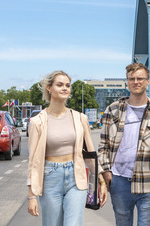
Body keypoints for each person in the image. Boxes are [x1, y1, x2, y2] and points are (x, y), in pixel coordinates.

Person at [27, 70, 107, 225]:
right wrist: (31, 196)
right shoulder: (37, 122)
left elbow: (90, 154)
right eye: (59, 85)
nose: (65, 88)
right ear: (49, 88)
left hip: (76, 177)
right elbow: (33, 162)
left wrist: (101, 181)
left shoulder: (80, 118)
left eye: (67, 85)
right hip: (50, 177)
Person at [98, 63, 150, 226]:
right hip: (120, 181)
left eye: (140, 78)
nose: (136, 82)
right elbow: (103, 145)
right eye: (132, 79)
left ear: (148, 81)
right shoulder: (113, 110)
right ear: (127, 81)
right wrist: (107, 171)